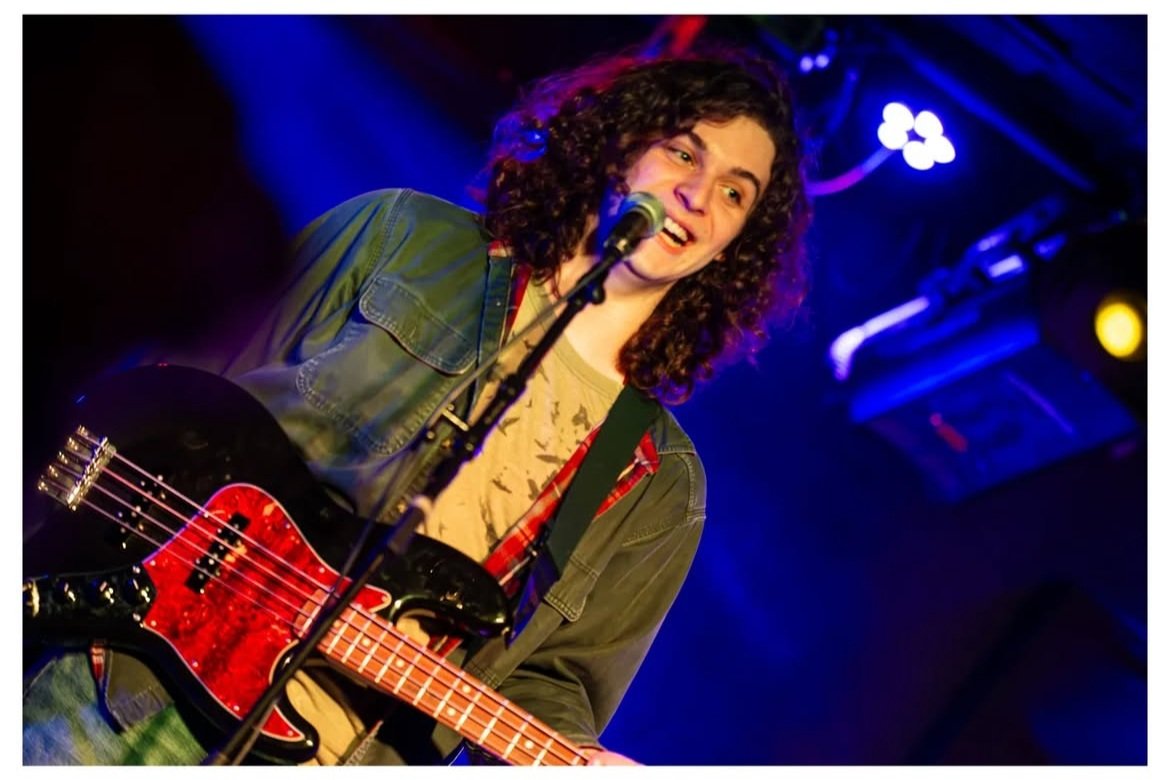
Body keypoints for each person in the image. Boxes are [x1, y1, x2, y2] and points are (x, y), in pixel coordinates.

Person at [22, 41, 810, 765]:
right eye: (683, 151)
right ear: (624, 145)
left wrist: (570, 759)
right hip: (124, 687)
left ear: (735, 244)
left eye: (734, 194)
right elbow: (189, 381)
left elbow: (554, 686)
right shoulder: (403, 234)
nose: (697, 195)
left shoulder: (660, 483)